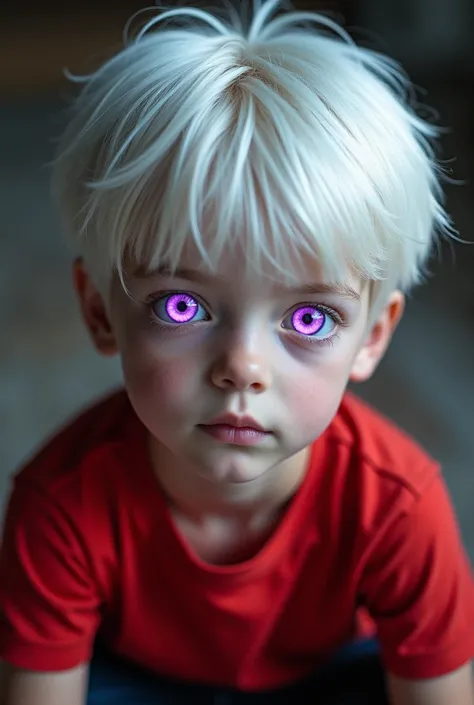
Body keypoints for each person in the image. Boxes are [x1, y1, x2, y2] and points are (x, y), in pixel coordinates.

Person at [0, 1, 473, 703]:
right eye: (182, 306)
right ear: (101, 311)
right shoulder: (61, 507)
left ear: (372, 336)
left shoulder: (399, 510)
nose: (243, 367)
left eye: (310, 317)